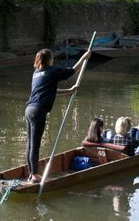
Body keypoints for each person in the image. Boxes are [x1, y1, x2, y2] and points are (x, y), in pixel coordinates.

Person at [25, 48, 91, 183]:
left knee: (30, 145)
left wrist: (68, 91)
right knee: (35, 145)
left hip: (29, 110)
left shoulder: (36, 73)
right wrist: (84, 57)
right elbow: (72, 71)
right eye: (52, 58)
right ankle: (35, 175)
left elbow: (48, 91)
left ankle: (31, 173)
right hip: (38, 111)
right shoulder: (52, 70)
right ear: (49, 60)